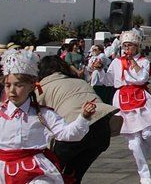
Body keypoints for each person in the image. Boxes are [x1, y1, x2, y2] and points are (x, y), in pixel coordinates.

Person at [0, 49, 96, 184]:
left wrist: (83, 118)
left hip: (35, 169)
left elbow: (67, 134)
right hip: (1, 173)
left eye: (19, 85)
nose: (12, 91)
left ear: (32, 86)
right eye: (8, 85)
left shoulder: (43, 114)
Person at [37, 55, 120, 183]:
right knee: (74, 175)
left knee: (50, 174)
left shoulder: (41, 87)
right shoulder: (80, 81)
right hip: (101, 130)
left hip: (72, 132)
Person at [107, 30, 151, 184]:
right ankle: (144, 174)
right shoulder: (116, 62)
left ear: (136, 46)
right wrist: (99, 69)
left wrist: (133, 65)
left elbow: (142, 78)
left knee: (148, 134)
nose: (127, 48)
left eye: (130, 45)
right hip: (122, 100)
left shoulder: (143, 61)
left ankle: (145, 151)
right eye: (125, 45)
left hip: (141, 98)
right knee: (134, 143)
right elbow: (108, 80)